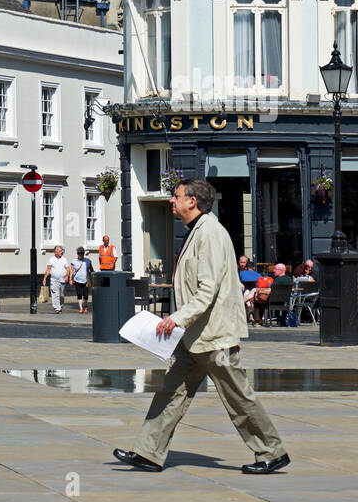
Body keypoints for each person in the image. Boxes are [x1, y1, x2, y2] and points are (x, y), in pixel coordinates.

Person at [113, 178, 289, 474]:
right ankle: (148, 452)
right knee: (171, 392)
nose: (172, 200)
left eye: (176, 195)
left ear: (192, 201)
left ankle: (272, 451)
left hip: (213, 335)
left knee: (237, 395)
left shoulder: (210, 233)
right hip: (193, 336)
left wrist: (177, 318)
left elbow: (208, 289)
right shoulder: (198, 231)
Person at [45, 245, 70, 314]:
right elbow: (48, 269)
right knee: (55, 294)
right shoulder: (51, 260)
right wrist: (45, 278)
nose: (61, 252)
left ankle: (60, 306)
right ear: (55, 252)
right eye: (59, 251)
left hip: (63, 280)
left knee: (61, 294)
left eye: (62, 251)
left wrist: (67, 276)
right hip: (54, 280)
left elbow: (68, 269)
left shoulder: (64, 259)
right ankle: (57, 308)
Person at [70, 247, 94, 314]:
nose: (80, 254)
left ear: (83, 253)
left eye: (81, 253)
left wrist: (93, 277)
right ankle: (81, 308)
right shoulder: (74, 261)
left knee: (85, 294)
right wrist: (70, 279)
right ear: (77, 253)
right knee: (79, 294)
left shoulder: (87, 261)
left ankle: (85, 305)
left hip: (85, 280)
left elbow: (91, 269)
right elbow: (71, 271)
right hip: (77, 280)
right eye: (79, 253)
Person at [238, 256, 261, 324]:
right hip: (253, 295)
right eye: (241, 262)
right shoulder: (258, 275)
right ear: (254, 268)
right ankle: (251, 316)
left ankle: (249, 314)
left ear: (246, 267)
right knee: (249, 294)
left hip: (244, 294)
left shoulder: (241, 274)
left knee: (247, 292)